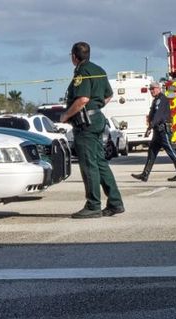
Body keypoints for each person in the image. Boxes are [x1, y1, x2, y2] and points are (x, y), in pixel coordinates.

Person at [60, 41, 124, 219]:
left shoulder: (82, 71)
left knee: (89, 165)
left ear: (74, 56)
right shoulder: (99, 69)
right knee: (100, 163)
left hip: (85, 123)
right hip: (97, 120)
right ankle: (115, 202)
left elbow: (83, 99)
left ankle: (93, 205)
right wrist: (97, 108)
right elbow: (109, 94)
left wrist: (66, 115)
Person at [131, 81, 176, 182]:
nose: (151, 91)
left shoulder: (162, 99)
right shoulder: (156, 100)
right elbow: (152, 115)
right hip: (157, 131)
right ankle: (145, 174)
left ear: (159, 88)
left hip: (163, 131)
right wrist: (149, 128)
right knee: (151, 152)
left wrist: (151, 126)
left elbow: (158, 116)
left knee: (171, 151)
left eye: (153, 89)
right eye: (150, 89)